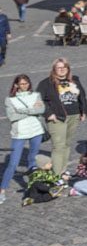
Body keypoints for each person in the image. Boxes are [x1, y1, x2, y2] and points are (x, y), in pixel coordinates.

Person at [37, 58, 87, 176]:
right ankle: (56, 174)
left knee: (66, 144)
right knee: (58, 146)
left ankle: (63, 170)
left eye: (64, 67)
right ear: (54, 69)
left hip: (73, 116)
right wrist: (48, 113)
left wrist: (83, 111)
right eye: (58, 68)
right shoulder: (46, 83)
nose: (61, 70)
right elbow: (38, 100)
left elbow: (82, 97)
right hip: (57, 117)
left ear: (68, 69)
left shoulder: (74, 81)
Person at [1, 74, 45, 205]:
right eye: (22, 84)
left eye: (27, 83)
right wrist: (32, 110)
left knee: (32, 161)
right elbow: (12, 117)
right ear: (16, 85)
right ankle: (2, 190)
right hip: (19, 133)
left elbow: (41, 109)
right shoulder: (10, 99)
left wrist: (21, 111)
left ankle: (32, 189)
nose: (25, 86)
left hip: (36, 131)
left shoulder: (35, 95)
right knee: (13, 163)